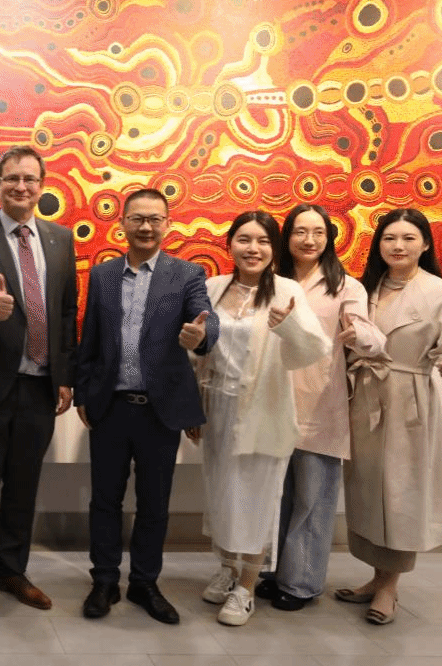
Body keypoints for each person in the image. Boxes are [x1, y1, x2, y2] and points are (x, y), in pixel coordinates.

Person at [74, 188, 218, 625]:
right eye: (137, 218)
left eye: (155, 219)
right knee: (105, 500)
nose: (146, 226)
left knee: (154, 503)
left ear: (168, 224)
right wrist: (83, 393)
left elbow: (205, 320)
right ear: (122, 223)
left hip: (160, 411)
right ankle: (104, 580)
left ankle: (144, 582)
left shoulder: (187, 274)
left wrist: (201, 337)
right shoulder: (102, 275)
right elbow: (89, 339)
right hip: (111, 406)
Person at [0, 145, 77, 627]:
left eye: (29, 178)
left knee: (24, 486)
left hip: (40, 385)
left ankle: (12, 570)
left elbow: (66, 310)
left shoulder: (60, 238)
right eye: (11, 178)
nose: (20, 186)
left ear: (42, 185)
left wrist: (65, 375)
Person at [340, 208, 442, 625]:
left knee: (401, 495)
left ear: (425, 244)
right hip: (363, 397)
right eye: (389, 238)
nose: (398, 246)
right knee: (368, 490)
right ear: (378, 245)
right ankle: (375, 577)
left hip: (408, 402)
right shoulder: (365, 286)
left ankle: (389, 587)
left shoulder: (439, 293)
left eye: (408, 238)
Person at [187, 211, 329, 626]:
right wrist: (193, 402)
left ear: (274, 248)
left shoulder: (287, 290)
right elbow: (198, 349)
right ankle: (228, 568)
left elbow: (313, 350)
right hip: (216, 407)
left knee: (257, 497)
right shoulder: (212, 287)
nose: (253, 249)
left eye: (263, 241)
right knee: (222, 493)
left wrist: (289, 327)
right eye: (244, 240)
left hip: (265, 408)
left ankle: (246, 586)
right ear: (229, 244)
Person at [254, 204, 382, 611]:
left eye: (318, 232)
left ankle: (301, 583)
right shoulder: (269, 281)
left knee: (312, 500)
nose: (309, 240)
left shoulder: (346, 287)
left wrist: (359, 335)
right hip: (270, 403)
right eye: (300, 231)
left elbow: (371, 339)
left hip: (319, 405)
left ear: (329, 238)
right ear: (286, 236)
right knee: (273, 496)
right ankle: (272, 572)